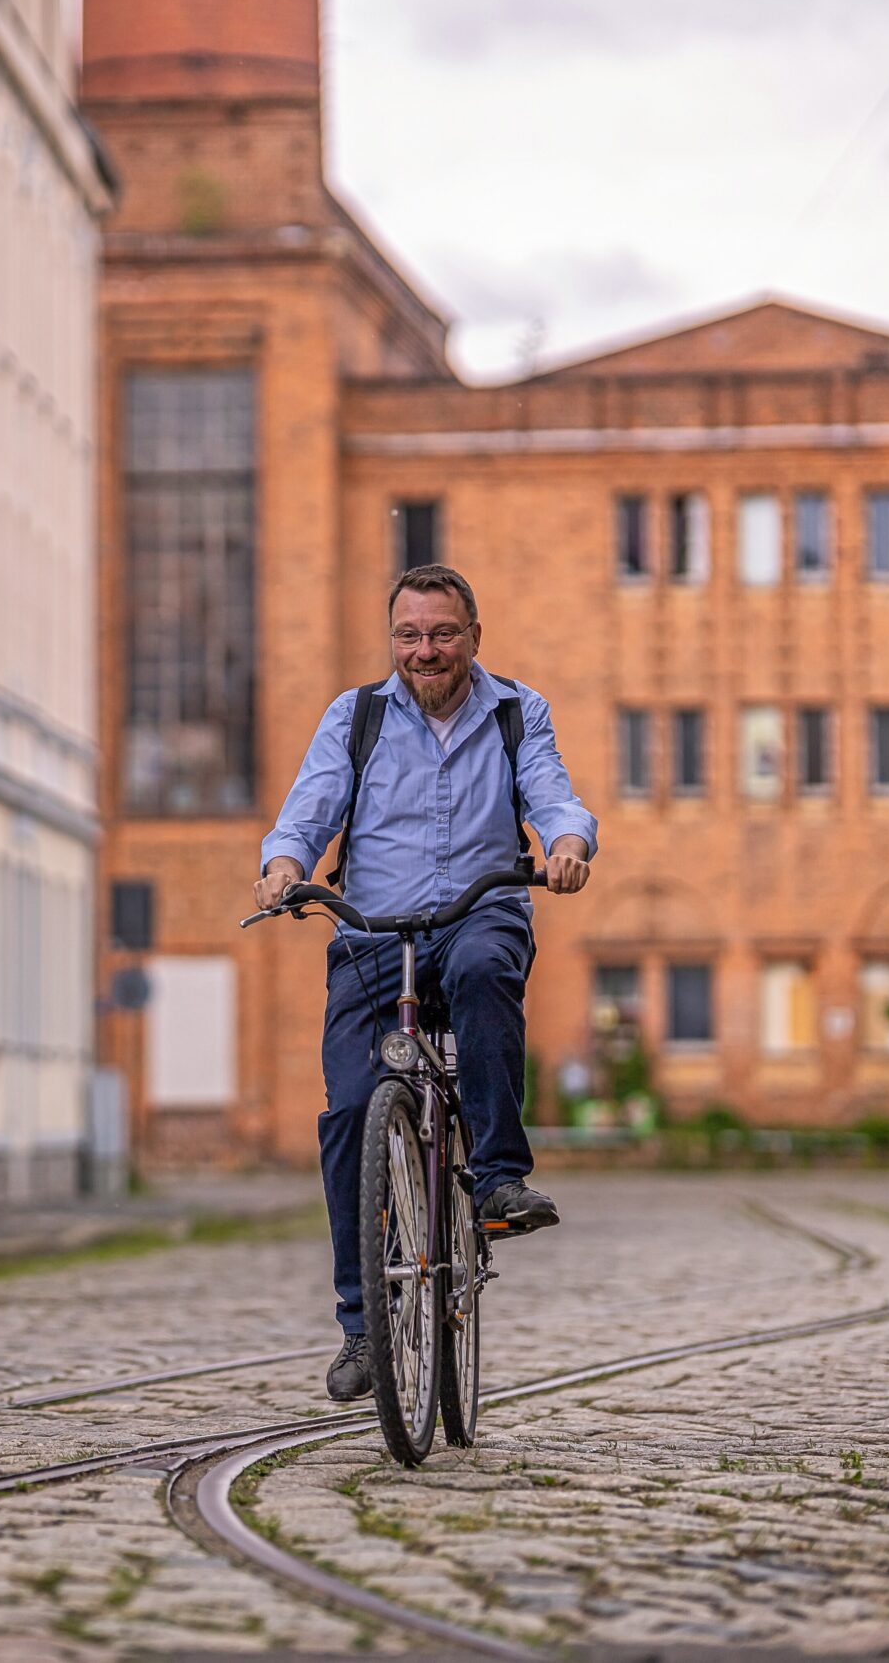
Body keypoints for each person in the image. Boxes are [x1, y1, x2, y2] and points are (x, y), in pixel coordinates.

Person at [253, 565, 597, 1401]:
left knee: (485, 970)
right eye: (409, 635)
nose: (425, 651)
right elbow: (309, 807)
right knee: (345, 1115)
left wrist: (566, 844)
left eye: (442, 633)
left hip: (479, 913)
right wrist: (283, 865)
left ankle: (499, 1179)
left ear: (474, 635)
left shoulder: (517, 710)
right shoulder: (357, 716)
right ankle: (364, 1326)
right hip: (373, 930)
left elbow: (553, 793)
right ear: (392, 640)